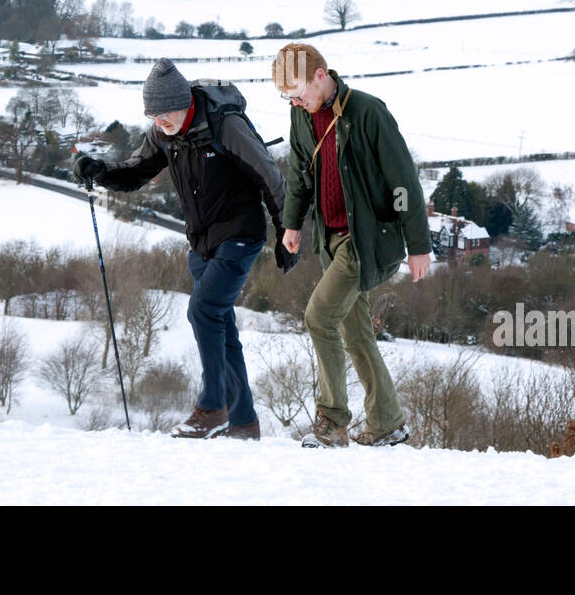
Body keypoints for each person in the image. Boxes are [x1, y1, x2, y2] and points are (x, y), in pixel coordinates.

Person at [74, 58, 292, 440]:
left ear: (185, 101)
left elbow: (269, 176)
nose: (160, 121)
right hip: (202, 242)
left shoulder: (226, 125)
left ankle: (212, 408)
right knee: (222, 327)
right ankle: (244, 422)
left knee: (203, 310)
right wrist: (100, 170)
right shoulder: (164, 134)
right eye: (153, 115)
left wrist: (287, 233)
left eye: (165, 113)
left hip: (240, 234)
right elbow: (134, 172)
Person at [273, 43, 432, 448]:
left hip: (363, 240)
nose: (295, 101)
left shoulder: (366, 112)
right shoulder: (301, 116)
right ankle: (387, 423)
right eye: (287, 96)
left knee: (318, 317)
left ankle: (332, 422)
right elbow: (297, 171)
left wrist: (418, 244)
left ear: (321, 76)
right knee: (355, 332)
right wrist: (292, 223)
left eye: (299, 92)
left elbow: (403, 182)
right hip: (330, 239)